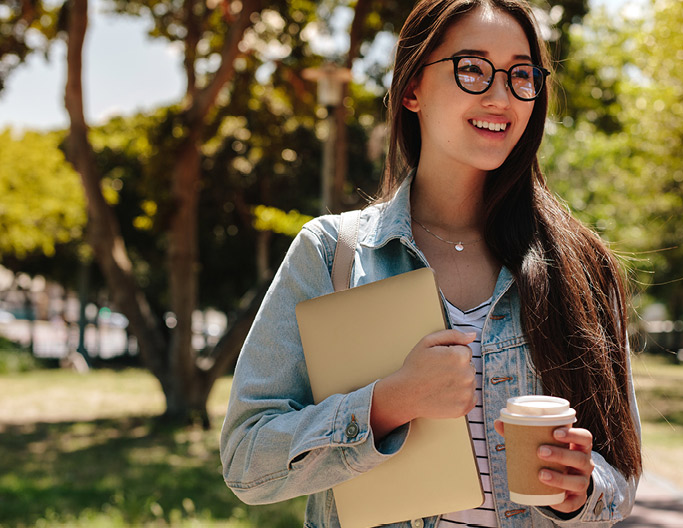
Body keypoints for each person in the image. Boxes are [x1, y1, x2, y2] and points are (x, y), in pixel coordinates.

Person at [220, 0, 642, 526]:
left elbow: (621, 475)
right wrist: (389, 402)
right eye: (472, 69)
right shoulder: (333, 253)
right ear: (412, 88)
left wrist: (579, 491)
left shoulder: (580, 266)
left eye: (521, 75)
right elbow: (245, 460)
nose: (500, 95)